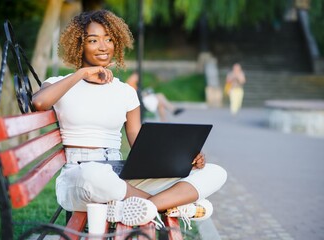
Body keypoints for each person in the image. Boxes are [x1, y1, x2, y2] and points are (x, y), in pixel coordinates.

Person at [32, 9, 227, 230]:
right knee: (95, 174)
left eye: (109, 39)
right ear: (79, 44)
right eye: (93, 40)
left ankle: (145, 207)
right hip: (81, 176)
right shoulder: (60, 83)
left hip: (122, 178)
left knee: (215, 172)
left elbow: (139, 143)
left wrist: (183, 159)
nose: (104, 46)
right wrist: (80, 75)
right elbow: (39, 103)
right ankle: (169, 206)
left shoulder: (125, 92)